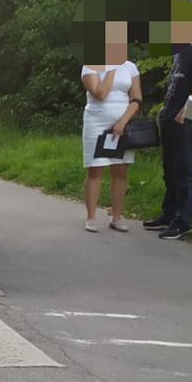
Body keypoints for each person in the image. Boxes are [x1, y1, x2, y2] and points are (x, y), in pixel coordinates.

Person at [146, 2, 192, 240]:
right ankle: (168, 213)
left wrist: (185, 110)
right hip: (169, 118)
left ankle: (183, 221)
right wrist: (165, 108)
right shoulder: (179, 53)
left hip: (185, 120)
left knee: (184, 169)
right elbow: (175, 85)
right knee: (170, 169)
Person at [79, 17, 142, 233]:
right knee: (95, 169)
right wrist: (112, 67)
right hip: (97, 120)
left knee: (120, 169)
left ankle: (117, 216)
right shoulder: (90, 65)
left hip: (122, 123)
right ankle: (92, 216)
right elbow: (100, 93)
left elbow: (136, 98)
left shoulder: (131, 67)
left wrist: (123, 121)